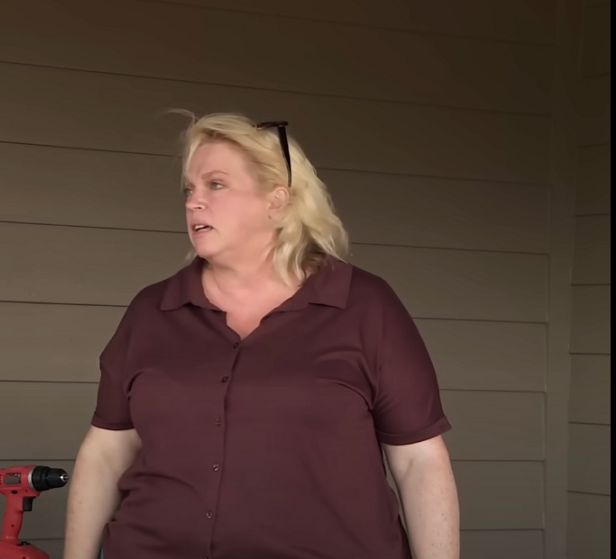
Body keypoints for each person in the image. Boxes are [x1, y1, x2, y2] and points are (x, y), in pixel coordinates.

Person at [62, 113, 460, 559]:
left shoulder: (365, 306)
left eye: (215, 185)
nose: (194, 202)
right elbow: (106, 451)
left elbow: (418, 460)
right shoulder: (151, 311)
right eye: (189, 190)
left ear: (277, 201)